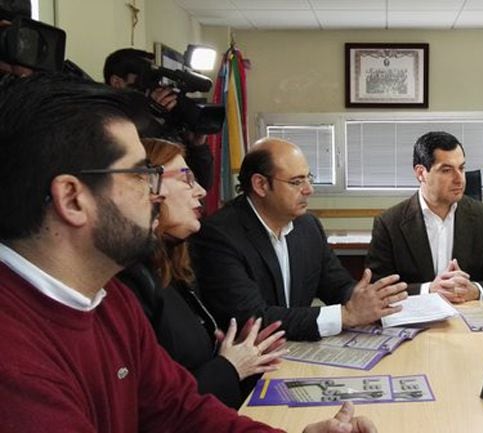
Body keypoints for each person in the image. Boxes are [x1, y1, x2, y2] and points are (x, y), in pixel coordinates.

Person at [0, 73, 376, 433]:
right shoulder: (14, 360)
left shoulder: (111, 301)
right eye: (140, 176)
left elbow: (182, 413)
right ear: (72, 198)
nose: (156, 194)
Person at [118, 138, 288, 409]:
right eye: (187, 179)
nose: (199, 191)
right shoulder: (129, 282)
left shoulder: (174, 269)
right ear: (147, 188)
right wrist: (229, 366)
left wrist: (243, 353)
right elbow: (153, 405)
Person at [190, 138, 408, 341]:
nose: (309, 190)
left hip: (298, 348)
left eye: (308, 178)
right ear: (260, 185)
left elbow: (336, 285)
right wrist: (345, 315)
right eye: (296, 182)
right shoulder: (219, 235)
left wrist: (367, 299)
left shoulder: (308, 226)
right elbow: (253, 319)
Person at [366, 131, 483, 303]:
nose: (459, 179)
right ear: (421, 173)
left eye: (461, 168)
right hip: (417, 321)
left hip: (469, 320)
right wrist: (428, 290)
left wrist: (474, 290)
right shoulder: (389, 223)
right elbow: (378, 288)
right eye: (446, 170)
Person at [103, 48, 213, 190]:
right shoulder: (105, 121)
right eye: (145, 80)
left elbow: (202, 184)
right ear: (117, 83)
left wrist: (198, 146)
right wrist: (152, 117)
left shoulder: (164, 120)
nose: (151, 88)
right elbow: (146, 170)